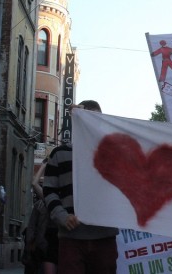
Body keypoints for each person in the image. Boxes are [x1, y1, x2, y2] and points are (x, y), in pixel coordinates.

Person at [43, 100, 118, 274]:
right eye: (88, 119)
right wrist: (62, 216)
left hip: (104, 236)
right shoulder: (59, 154)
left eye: (97, 120)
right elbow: (49, 191)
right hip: (71, 236)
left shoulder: (112, 154)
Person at [23, 159, 57, 274]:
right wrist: (30, 243)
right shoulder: (45, 202)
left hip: (60, 244)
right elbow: (34, 183)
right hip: (44, 245)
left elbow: (34, 183)